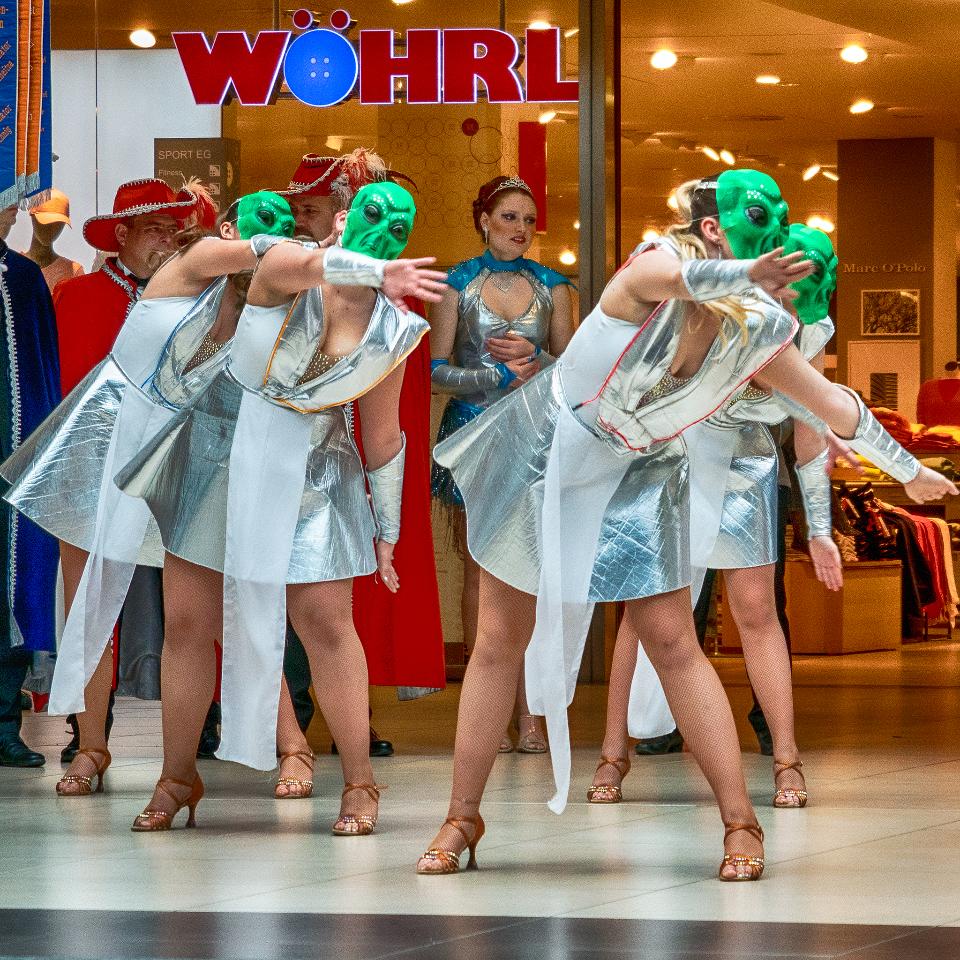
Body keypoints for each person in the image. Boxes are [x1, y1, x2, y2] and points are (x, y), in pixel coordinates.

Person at [416, 171, 955, 881]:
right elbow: (682, 277)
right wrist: (742, 272)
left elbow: (829, 401)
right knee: (497, 639)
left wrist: (904, 468)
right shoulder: (649, 268)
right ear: (711, 233)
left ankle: (740, 821)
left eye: (780, 220)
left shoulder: (760, 327)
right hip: (547, 450)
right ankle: (462, 815)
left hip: (641, 468)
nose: (775, 236)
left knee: (672, 638)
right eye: (757, 220)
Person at [116, 182, 446, 832]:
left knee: (325, 622)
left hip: (314, 476)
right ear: (342, 222)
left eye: (397, 223)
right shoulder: (286, 264)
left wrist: (387, 531)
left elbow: (382, 438)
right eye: (371, 215)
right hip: (216, 456)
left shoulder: (396, 327)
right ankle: (176, 778)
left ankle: (360, 784)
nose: (384, 229)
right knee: (187, 622)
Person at [1, 189, 298, 796]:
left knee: (220, 605)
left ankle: (289, 742)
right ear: (122, 236)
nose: (168, 238)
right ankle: (89, 745)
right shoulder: (77, 294)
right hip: (97, 453)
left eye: (177, 228)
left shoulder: (214, 290)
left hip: (185, 458)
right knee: (89, 606)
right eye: (154, 228)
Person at [589, 223, 842, 810]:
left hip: (746, 467)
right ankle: (611, 752)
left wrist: (823, 529)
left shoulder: (808, 328)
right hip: (672, 452)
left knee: (756, 608)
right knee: (642, 610)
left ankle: (786, 759)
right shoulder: (718, 294)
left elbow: (809, 435)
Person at [273, 149, 445, 768]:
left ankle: (352, 748)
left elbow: (386, 422)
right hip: (257, 465)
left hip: (334, 467)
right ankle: (286, 736)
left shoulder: (398, 304)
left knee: (331, 611)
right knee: (240, 608)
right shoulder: (278, 270)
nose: (302, 220)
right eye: (298, 209)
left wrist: (387, 518)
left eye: (313, 209)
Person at [430, 175, 573, 753]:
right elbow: (433, 369)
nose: (521, 229)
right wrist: (490, 376)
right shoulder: (454, 285)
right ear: (484, 220)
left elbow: (575, 368)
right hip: (473, 435)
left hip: (537, 435)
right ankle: (485, 709)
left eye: (529, 220)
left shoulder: (555, 287)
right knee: (480, 572)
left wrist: (539, 360)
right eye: (510, 217)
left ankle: (532, 713)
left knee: (537, 574)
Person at [0, 205, 62, 768]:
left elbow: (44, 369)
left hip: (12, 452)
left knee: (14, 584)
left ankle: (3, 722)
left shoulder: (21, 278)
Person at [21, 189, 84, 292]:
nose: (51, 228)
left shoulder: (73, 273)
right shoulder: (11, 266)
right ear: (32, 216)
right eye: (46, 220)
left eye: (58, 223)